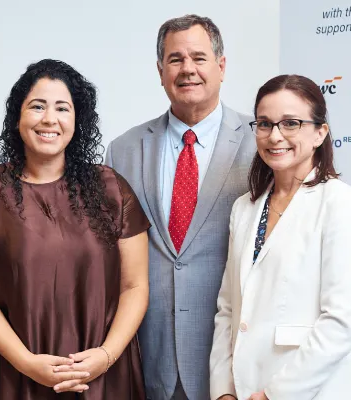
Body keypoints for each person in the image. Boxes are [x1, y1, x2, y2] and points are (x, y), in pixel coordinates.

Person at [0, 59, 150, 399]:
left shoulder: (112, 188)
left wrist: (105, 356)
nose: (49, 119)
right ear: (18, 117)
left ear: (77, 119)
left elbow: (135, 285)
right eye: (37, 106)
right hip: (10, 372)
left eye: (62, 108)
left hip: (99, 375)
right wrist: (26, 362)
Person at [105, 14, 256, 400]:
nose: (187, 69)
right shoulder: (123, 150)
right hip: (148, 355)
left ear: (221, 67)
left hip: (230, 358)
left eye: (199, 58)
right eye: (175, 59)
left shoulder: (261, 145)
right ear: (160, 71)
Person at [209, 74, 351, 400]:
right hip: (242, 388)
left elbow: (340, 322)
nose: (275, 136)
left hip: (307, 391)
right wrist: (223, 390)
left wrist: (273, 394)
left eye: (291, 123)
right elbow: (228, 308)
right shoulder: (245, 207)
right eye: (265, 124)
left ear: (319, 133)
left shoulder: (342, 204)